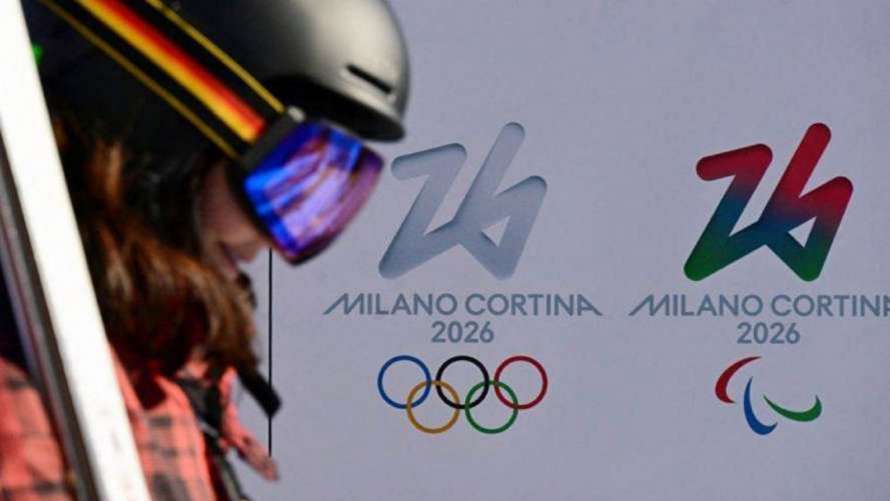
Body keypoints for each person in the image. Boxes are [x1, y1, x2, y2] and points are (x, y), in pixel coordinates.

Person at [0, 0, 410, 499]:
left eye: (327, 189)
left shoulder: (165, 380)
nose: (271, 243)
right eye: (286, 170)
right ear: (154, 123)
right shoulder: (27, 378)